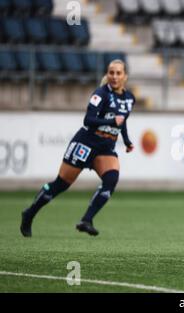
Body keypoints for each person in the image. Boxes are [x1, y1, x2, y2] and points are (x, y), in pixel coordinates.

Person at [20, 59, 135, 237]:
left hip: (105, 147)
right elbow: (88, 120)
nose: (114, 76)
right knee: (61, 184)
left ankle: (86, 220)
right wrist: (111, 121)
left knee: (111, 180)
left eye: (118, 73)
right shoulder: (100, 94)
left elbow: (123, 121)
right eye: (111, 72)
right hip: (86, 142)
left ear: (125, 76)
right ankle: (30, 213)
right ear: (107, 74)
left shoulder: (129, 98)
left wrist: (127, 140)